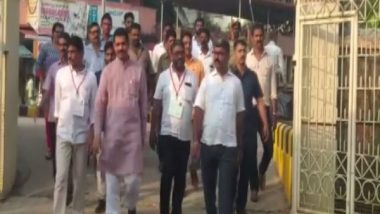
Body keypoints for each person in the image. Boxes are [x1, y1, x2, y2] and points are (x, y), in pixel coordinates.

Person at [93, 28, 148, 214]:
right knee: (112, 188)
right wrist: (97, 135)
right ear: (114, 46)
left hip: (132, 138)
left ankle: (131, 207)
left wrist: (143, 137)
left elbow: (143, 106)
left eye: (123, 43)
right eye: (117, 44)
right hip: (112, 138)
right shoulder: (107, 72)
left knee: (133, 182)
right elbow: (99, 104)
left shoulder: (138, 71)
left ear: (128, 44)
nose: (120, 47)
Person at [192, 39, 245, 214]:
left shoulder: (236, 83)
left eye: (221, 53)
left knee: (225, 199)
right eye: (215, 53)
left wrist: (239, 146)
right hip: (208, 144)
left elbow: (240, 116)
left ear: (228, 56)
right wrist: (196, 140)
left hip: (228, 148)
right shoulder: (207, 81)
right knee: (208, 196)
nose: (217, 57)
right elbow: (198, 110)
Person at [150, 40, 198, 214]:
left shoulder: (193, 77)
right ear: (170, 54)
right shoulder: (163, 77)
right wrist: (153, 132)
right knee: (167, 174)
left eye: (182, 53)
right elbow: (156, 105)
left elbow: (197, 109)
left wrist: (196, 139)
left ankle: (176, 209)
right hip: (166, 134)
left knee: (180, 177)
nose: (179, 56)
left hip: (184, 137)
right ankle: (164, 210)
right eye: (176, 53)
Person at [53, 35, 97, 214]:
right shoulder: (61, 74)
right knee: (61, 178)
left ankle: (78, 211)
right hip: (63, 134)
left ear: (81, 53)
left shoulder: (91, 78)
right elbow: (57, 107)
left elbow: (94, 110)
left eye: (72, 52)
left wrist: (92, 136)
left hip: (82, 136)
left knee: (80, 179)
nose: (69, 55)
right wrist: (59, 127)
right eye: (68, 51)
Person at [231, 40, 270, 212]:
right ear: (234, 53)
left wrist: (265, 123)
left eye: (243, 51)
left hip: (248, 129)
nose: (241, 54)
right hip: (231, 131)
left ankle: (240, 205)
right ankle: (230, 201)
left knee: (246, 169)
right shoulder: (229, 76)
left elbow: (260, 101)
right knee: (232, 170)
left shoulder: (251, 77)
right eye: (238, 51)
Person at [246, 23, 278, 191]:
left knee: (269, 149)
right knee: (250, 151)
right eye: (256, 35)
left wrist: (274, 112)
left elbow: (273, 90)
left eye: (261, 35)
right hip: (249, 111)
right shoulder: (247, 59)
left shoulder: (270, 60)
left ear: (264, 37)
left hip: (264, 110)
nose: (258, 38)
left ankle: (261, 170)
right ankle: (254, 187)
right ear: (251, 37)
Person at [40, 32, 70, 178]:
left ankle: (68, 186)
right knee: (57, 154)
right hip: (55, 118)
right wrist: (42, 107)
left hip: (70, 118)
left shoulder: (75, 68)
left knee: (69, 155)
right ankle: (58, 184)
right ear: (57, 46)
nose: (63, 48)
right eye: (61, 44)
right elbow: (47, 91)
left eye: (66, 45)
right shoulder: (53, 69)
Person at [35, 22, 64, 160]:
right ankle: (50, 148)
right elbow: (38, 65)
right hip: (48, 88)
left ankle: (60, 148)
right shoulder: (46, 48)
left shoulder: (64, 48)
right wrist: (42, 82)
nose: (59, 33)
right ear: (52, 33)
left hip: (63, 90)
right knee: (49, 121)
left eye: (61, 31)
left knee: (61, 120)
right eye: (57, 31)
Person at [181, 31, 204, 189]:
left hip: (195, 113)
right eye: (184, 43)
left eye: (189, 43)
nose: (187, 46)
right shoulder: (177, 64)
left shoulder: (198, 65)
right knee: (182, 148)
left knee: (195, 145)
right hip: (180, 113)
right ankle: (181, 181)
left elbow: (203, 89)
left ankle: (194, 170)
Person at [94, 41, 115, 214]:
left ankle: (112, 197)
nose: (109, 58)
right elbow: (96, 105)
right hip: (102, 128)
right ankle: (102, 198)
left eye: (112, 55)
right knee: (100, 165)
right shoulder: (98, 75)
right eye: (107, 55)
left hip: (117, 128)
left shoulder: (123, 74)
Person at [128, 23, 155, 103]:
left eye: (138, 35)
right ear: (129, 35)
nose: (136, 37)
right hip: (128, 95)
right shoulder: (125, 51)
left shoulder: (145, 51)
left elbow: (150, 74)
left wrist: (150, 94)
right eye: (134, 35)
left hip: (143, 95)